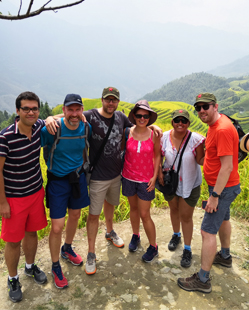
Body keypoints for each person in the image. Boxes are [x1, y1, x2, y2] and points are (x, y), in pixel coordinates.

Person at [46, 87, 162, 275]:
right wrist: (50, 119)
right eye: (107, 100)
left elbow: (138, 126)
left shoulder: (121, 117)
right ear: (102, 100)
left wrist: (153, 127)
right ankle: (91, 253)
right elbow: (71, 115)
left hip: (117, 175)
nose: (111, 103)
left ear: (117, 102)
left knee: (111, 205)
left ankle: (110, 231)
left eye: (114, 100)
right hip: (98, 177)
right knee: (93, 215)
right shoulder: (90, 116)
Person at [178, 93, 241, 293]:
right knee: (224, 219)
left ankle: (203, 280)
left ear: (215, 106)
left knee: (207, 231)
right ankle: (225, 255)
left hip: (221, 188)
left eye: (206, 106)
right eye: (198, 107)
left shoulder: (222, 129)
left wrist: (215, 196)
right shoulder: (217, 124)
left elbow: (226, 167)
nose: (202, 111)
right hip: (224, 186)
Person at [0, 91, 48, 303]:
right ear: (17, 111)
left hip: (35, 192)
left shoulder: (38, 127)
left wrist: (78, 115)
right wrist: (2, 202)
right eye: (26, 108)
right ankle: (13, 278)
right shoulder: (4, 138)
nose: (30, 112)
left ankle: (30, 267)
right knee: (13, 240)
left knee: (32, 233)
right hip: (14, 198)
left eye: (34, 108)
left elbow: (56, 118)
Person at [41, 93, 91, 288]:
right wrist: (49, 118)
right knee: (56, 226)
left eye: (78, 109)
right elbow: (30, 128)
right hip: (57, 181)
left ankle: (67, 248)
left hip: (77, 178)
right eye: (70, 109)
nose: (74, 113)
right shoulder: (52, 129)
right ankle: (55, 265)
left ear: (82, 110)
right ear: (63, 110)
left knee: (76, 215)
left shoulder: (86, 127)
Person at [158, 109, 205, 268]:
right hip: (170, 183)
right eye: (177, 120)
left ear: (188, 123)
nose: (180, 123)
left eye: (183, 121)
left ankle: (187, 248)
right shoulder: (163, 137)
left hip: (190, 183)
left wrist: (216, 154)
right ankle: (176, 235)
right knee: (173, 209)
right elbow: (158, 157)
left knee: (186, 216)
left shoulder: (196, 139)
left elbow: (200, 160)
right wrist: (158, 172)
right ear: (172, 122)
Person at [122, 100, 161, 263]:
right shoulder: (127, 132)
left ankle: (153, 246)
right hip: (128, 177)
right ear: (134, 116)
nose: (142, 118)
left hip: (146, 180)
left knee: (145, 214)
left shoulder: (154, 135)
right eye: (139, 115)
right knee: (133, 209)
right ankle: (136, 236)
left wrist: (155, 176)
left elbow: (158, 155)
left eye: (145, 116)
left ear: (149, 117)